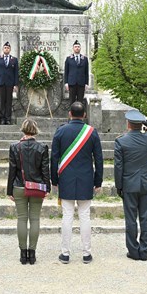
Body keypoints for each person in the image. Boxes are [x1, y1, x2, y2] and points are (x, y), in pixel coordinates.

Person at [51, 101, 103, 264]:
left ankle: (65, 253)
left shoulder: (61, 131)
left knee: (67, 216)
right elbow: (99, 159)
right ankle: (86, 253)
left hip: (66, 178)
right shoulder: (92, 132)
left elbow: (54, 158)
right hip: (86, 178)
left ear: (69, 114)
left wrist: (54, 179)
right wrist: (98, 181)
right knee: (85, 216)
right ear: (85, 115)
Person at [114, 109, 147, 261]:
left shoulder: (121, 141)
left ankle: (133, 250)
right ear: (140, 124)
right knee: (146, 218)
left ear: (128, 124)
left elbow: (119, 167)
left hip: (129, 184)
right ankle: (144, 251)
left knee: (131, 219)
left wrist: (119, 186)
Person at [7, 118, 50, 265]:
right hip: (37, 187)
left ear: (22, 129)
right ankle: (32, 253)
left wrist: (9, 190)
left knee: (22, 219)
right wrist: (47, 188)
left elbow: (12, 170)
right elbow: (45, 170)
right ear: (36, 130)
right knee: (35, 219)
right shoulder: (42, 147)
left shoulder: (14, 147)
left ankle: (22, 253)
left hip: (19, 186)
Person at [0, 41, 19, 125]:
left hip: (10, 84)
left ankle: (8, 119)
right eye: (5, 48)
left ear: (10, 49)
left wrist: (15, 84)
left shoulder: (14, 60)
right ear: (3, 49)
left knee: (9, 101)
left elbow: (16, 73)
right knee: (2, 101)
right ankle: (2, 119)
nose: (6, 49)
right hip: (1, 83)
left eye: (8, 48)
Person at [63, 40, 90, 105]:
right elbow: (66, 72)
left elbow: (86, 72)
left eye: (78, 47)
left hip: (81, 83)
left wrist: (86, 83)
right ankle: (72, 114)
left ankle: (79, 114)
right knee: (71, 101)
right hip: (72, 83)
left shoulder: (85, 59)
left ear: (80, 48)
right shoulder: (68, 59)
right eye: (75, 47)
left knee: (80, 101)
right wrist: (66, 83)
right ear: (73, 48)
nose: (77, 48)